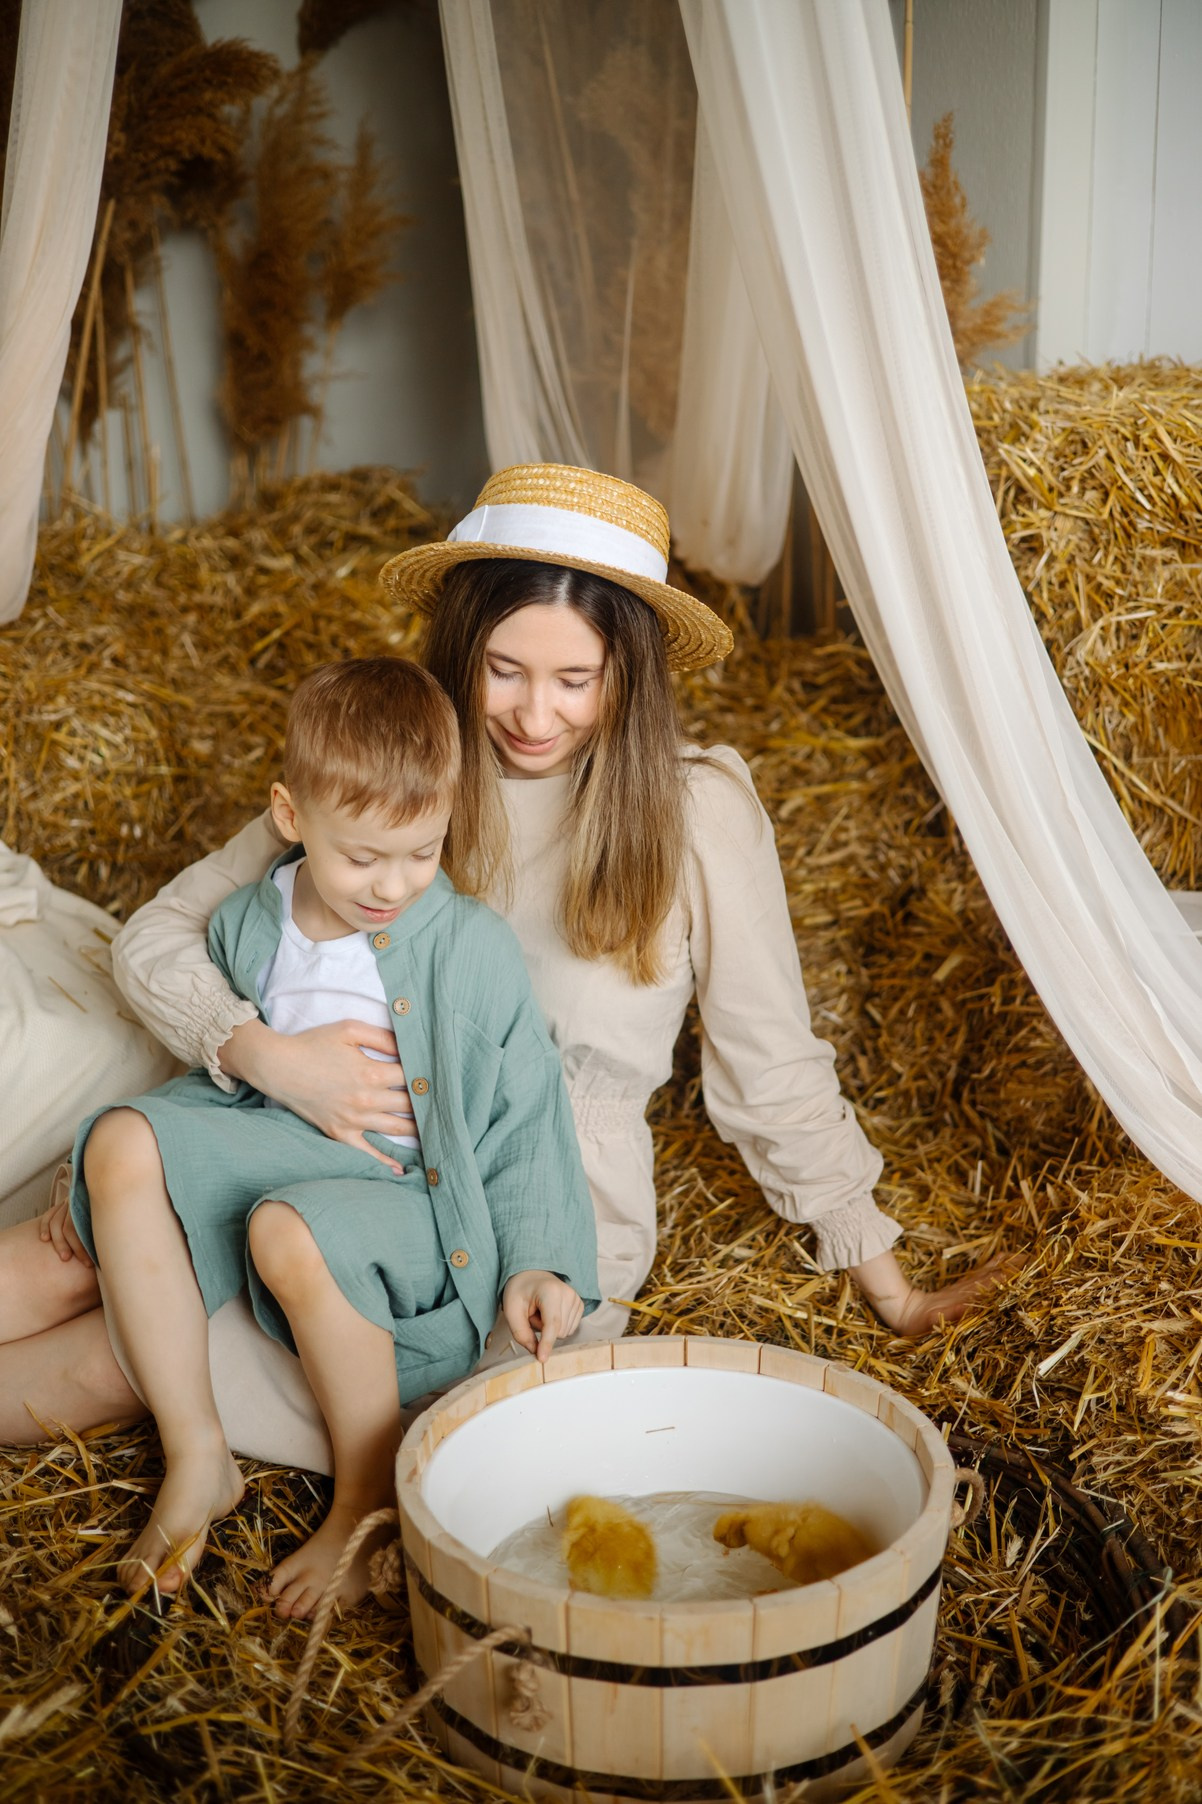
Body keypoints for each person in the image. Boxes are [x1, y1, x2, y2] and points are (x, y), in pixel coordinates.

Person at [0, 463, 1005, 1481]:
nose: (533, 714)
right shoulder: (402, 772)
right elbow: (157, 935)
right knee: (75, 1252)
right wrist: (259, 1052)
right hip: (323, 1129)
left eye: (576, 679)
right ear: (460, 650)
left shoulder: (700, 816)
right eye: (504, 670)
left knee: (122, 1353)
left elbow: (773, 1067)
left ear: (631, 673)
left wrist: (892, 1291)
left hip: (528, 1198)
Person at [52, 657, 598, 1615]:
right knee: (122, 1141)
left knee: (286, 1231)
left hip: (407, 1194)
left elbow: (527, 1117)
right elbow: (210, 1064)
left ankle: (364, 1497)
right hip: (278, 1137)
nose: (393, 885)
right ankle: (198, 1453)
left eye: (422, 852)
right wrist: (130, 1181)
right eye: (362, 859)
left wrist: (541, 1262)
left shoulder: (469, 948)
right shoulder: (247, 921)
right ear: (289, 816)